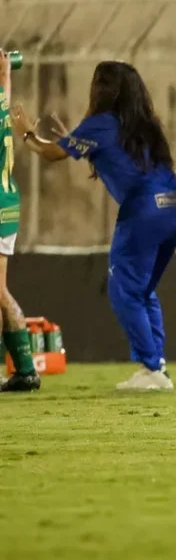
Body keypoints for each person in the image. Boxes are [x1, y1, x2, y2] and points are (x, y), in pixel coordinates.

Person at [13, 61, 176, 390]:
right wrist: (77, 143)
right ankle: (157, 367)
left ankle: (150, 368)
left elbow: (50, 153)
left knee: (123, 290)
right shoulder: (143, 125)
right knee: (143, 290)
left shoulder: (100, 123)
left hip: (144, 210)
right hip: (175, 207)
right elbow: (113, 157)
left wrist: (26, 132)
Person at [0, 51, 39, 392]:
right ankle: (25, 370)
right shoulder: (0, 103)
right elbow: (5, 94)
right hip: (7, 206)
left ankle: (25, 370)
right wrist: (5, 74)